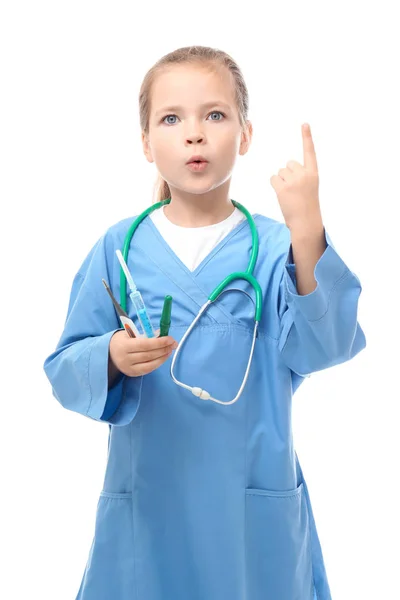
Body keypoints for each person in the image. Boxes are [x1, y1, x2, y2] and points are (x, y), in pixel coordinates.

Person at [43, 45, 366, 600]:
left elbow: (326, 344)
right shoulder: (120, 249)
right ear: (146, 143)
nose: (195, 133)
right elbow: (65, 368)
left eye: (215, 115)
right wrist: (112, 357)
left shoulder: (274, 248)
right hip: (149, 505)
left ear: (244, 135)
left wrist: (308, 228)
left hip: (248, 509)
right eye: (171, 118)